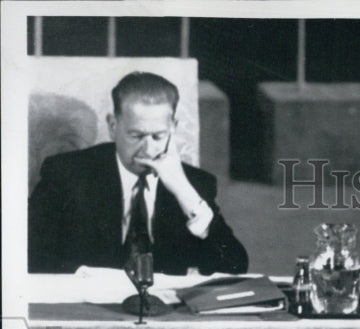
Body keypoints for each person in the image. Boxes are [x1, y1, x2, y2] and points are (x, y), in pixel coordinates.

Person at [29, 71, 248, 275]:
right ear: (113, 126)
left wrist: (184, 192)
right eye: (136, 135)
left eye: (158, 136)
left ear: (174, 128)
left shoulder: (195, 184)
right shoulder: (67, 173)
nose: (148, 149)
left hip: (163, 313)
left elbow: (235, 265)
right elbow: (25, 254)